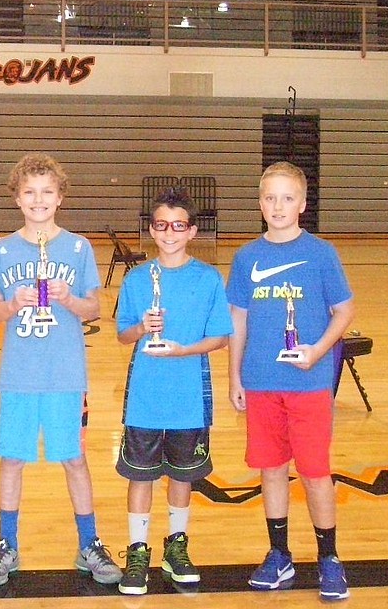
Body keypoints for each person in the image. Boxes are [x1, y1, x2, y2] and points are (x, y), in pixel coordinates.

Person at [0, 153, 122, 588]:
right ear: (17, 199)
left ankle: (89, 542)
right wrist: (13, 303)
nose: (38, 200)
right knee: (12, 460)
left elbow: (95, 307)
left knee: (74, 459)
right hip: (18, 375)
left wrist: (68, 299)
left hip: (65, 375)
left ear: (60, 197)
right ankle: (6, 544)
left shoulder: (77, 248)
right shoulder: (1, 250)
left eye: (46, 192)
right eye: (29, 193)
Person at [226, 161, 354, 602]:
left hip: (309, 384)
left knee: (316, 473)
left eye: (286, 198)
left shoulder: (321, 253)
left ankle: (329, 558)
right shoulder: (246, 258)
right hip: (261, 382)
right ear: (260, 203)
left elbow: (345, 312)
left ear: (302, 203)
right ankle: (279, 554)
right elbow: (237, 321)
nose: (277, 206)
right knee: (271, 470)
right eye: (269, 198)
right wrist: (234, 376)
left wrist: (317, 352)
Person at [113, 188, 232, 595]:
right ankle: (137, 549)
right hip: (145, 399)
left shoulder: (208, 278)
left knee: (183, 477)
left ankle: (176, 546)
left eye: (178, 226)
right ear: (151, 230)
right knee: (141, 476)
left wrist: (183, 349)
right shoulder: (136, 278)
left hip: (187, 401)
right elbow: (123, 335)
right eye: (162, 225)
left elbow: (219, 338)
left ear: (192, 231)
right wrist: (142, 328)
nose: (169, 233)